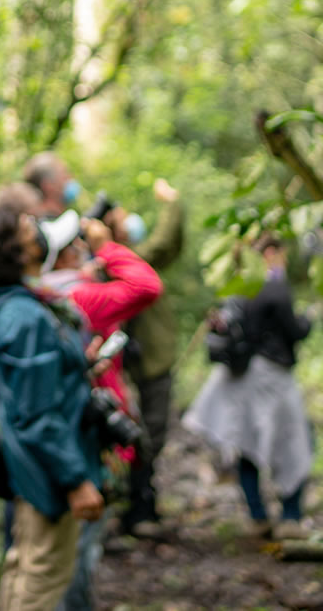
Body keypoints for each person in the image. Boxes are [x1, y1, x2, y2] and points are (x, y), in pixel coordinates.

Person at [0, 207, 105, 611]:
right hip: (47, 471)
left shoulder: (17, 307)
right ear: (13, 252)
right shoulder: (24, 317)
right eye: (27, 231)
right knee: (43, 576)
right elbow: (37, 415)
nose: (38, 233)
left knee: (24, 564)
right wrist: (75, 480)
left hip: (34, 465)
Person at [30, 210, 161, 611]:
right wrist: (107, 246)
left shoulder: (45, 294)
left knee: (62, 546)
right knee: (79, 547)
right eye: (78, 244)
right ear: (66, 256)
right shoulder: (81, 298)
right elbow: (147, 284)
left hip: (61, 432)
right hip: (87, 432)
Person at [183, 235, 314, 540]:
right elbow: (293, 331)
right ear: (270, 253)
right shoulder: (274, 287)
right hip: (273, 377)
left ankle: (258, 516)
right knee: (293, 443)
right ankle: (290, 517)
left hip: (247, 377)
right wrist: (307, 320)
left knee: (248, 444)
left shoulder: (238, 287)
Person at [109, 179, 185, 537]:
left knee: (149, 430)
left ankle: (140, 501)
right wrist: (172, 201)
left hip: (146, 359)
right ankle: (137, 505)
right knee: (147, 430)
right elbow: (167, 240)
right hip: (142, 364)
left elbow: (169, 248)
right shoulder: (124, 261)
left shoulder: (127, 259)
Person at [23, 152, 80, 218]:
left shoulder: (34, 221)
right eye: (64, 176)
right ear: (49, 186)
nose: (70, 178)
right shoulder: (47, 224)